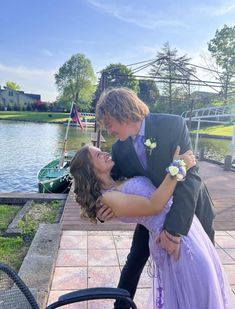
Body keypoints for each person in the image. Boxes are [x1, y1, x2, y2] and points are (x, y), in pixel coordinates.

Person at [70, 145, 234, 309]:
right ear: (89, 169)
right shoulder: (108, 198)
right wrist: (178, 167)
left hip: (186, 226)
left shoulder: (117, 177)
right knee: (194, 290)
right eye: (98, 155)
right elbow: (154, 205)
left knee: (203, 286)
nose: (105, 153)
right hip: (171, 236)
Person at [95, 87, 216, 308]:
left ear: (121, 112)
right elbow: (107, 183)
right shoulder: (119, 150)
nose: (107, 129)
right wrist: (101, 212)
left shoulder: (172, 125)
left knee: (202, 265)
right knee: (134, 261)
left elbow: (191, 179)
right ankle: (121, 307)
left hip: (189, 209)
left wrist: (173, 230)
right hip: (152, 213)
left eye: (108, 122)